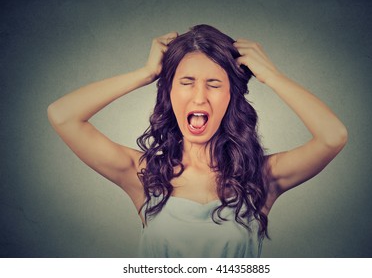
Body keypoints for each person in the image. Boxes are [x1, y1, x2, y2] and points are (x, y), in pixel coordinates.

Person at [47, 24, 348, 257]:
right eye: (186, 82)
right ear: (169, 92)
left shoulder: (261, 177)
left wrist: (271, 76)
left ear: (231, 97)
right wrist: (145, 73)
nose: (199, 96)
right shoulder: (143, 174)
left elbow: (332, 137)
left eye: (214, 84)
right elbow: (62, 115)